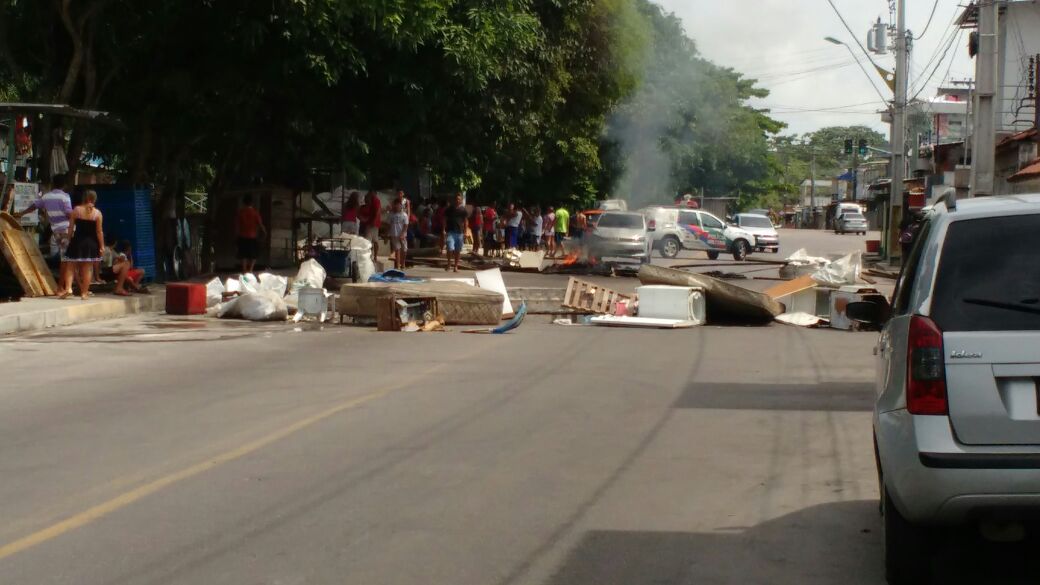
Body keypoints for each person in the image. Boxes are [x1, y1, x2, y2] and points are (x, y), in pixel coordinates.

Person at [15, 173, 73, 295]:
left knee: (66, 258)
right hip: (66, 230)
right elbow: (69, 213)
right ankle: (62, 287)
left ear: (53, 184)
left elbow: (34, 206)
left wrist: (21, 214)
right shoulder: (65, 197)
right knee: (66, 259)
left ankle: (65, 286)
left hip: (56, 231)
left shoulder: (46, 197)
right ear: (64, 185)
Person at [65, 190, 105, 300]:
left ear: (84, 198)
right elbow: (99, 232)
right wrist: (101, 246)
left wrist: (68, 239)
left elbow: (70, 228)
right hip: (91, 244)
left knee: (70, 265)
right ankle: (84, 293)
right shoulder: (97, 214)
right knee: (87, 268)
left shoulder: (76, 210)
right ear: (94, 199)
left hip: (77, 241)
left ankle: (68, 288)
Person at [235, 194, 266, 274]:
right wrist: (264, 232)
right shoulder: (255, 213)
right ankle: (251, 270)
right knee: (254, 254)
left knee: (243, 254)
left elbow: (237, 225)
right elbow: (260, 224)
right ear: (252, 203)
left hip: (242, 236)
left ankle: (244, 270)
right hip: (252, 236)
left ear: (243, 203)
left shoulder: (241, 212)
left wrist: (236, 235)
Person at [443, 193, 468, 272]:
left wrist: (465, 232)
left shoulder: (463, 210)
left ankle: (456, 266)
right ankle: (449, 263)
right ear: (454, 200)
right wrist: (443, 229)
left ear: (460, 200)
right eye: (456, 199)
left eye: (459, 199)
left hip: (460, 232)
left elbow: (466, 221)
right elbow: (444, 219)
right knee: (450, 248)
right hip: (451, 232)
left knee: (457, 250)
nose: (457, 200)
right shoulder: (449, 209)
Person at [359, 190, 381, 261]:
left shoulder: (375, 200)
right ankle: (371, 256)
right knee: (371, 241)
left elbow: (377, 211)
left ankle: (373, 256)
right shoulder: (365, 206)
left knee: (372, 240)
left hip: (372, 224)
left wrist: (373, 221)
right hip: (369, 224)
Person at [388, 199, 409, 270]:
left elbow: (406, 225)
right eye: (395, 205)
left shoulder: (404, 215)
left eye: (398, 205)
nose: (397, 207)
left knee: (404, 249)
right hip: (394, 234)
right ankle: (398, 266)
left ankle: (403, 263)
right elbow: (389, 224)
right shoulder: (391, 215)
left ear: (401, 206)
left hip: (402, 235)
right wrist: (388, 233)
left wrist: (403, 234)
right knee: (397, 249)